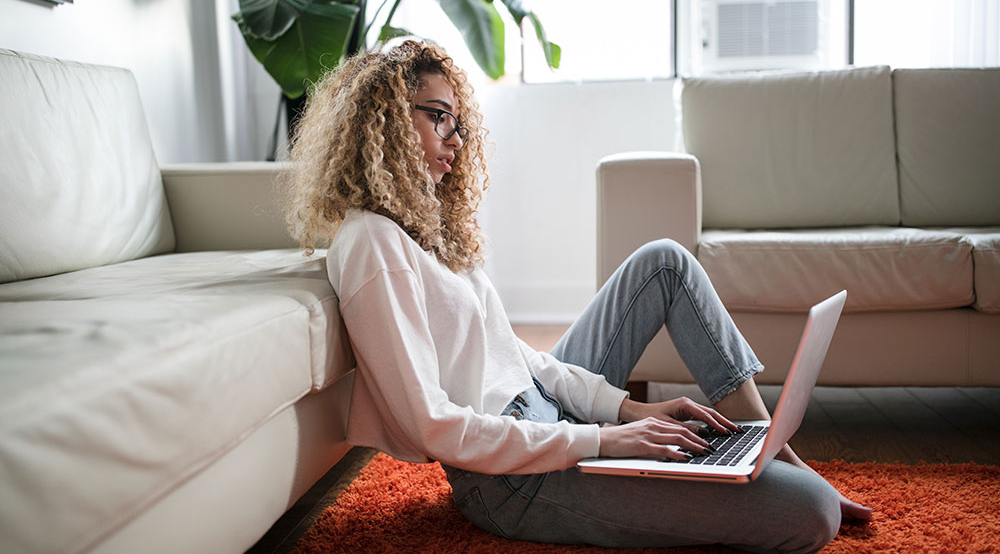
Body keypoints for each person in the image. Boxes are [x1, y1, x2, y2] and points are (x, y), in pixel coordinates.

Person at [285, 40, 871, 553]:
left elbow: (518, 358)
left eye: (457, 125)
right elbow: (433, 426)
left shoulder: (424, 229)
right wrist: (602, 440)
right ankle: (775, 471)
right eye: (438, 118)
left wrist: (625, 410)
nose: (454, 141)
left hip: (546, 417)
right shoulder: (371, 243)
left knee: (662, 261)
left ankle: (774, 448)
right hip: (510, 480)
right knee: (811, 512)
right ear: (383, 118)